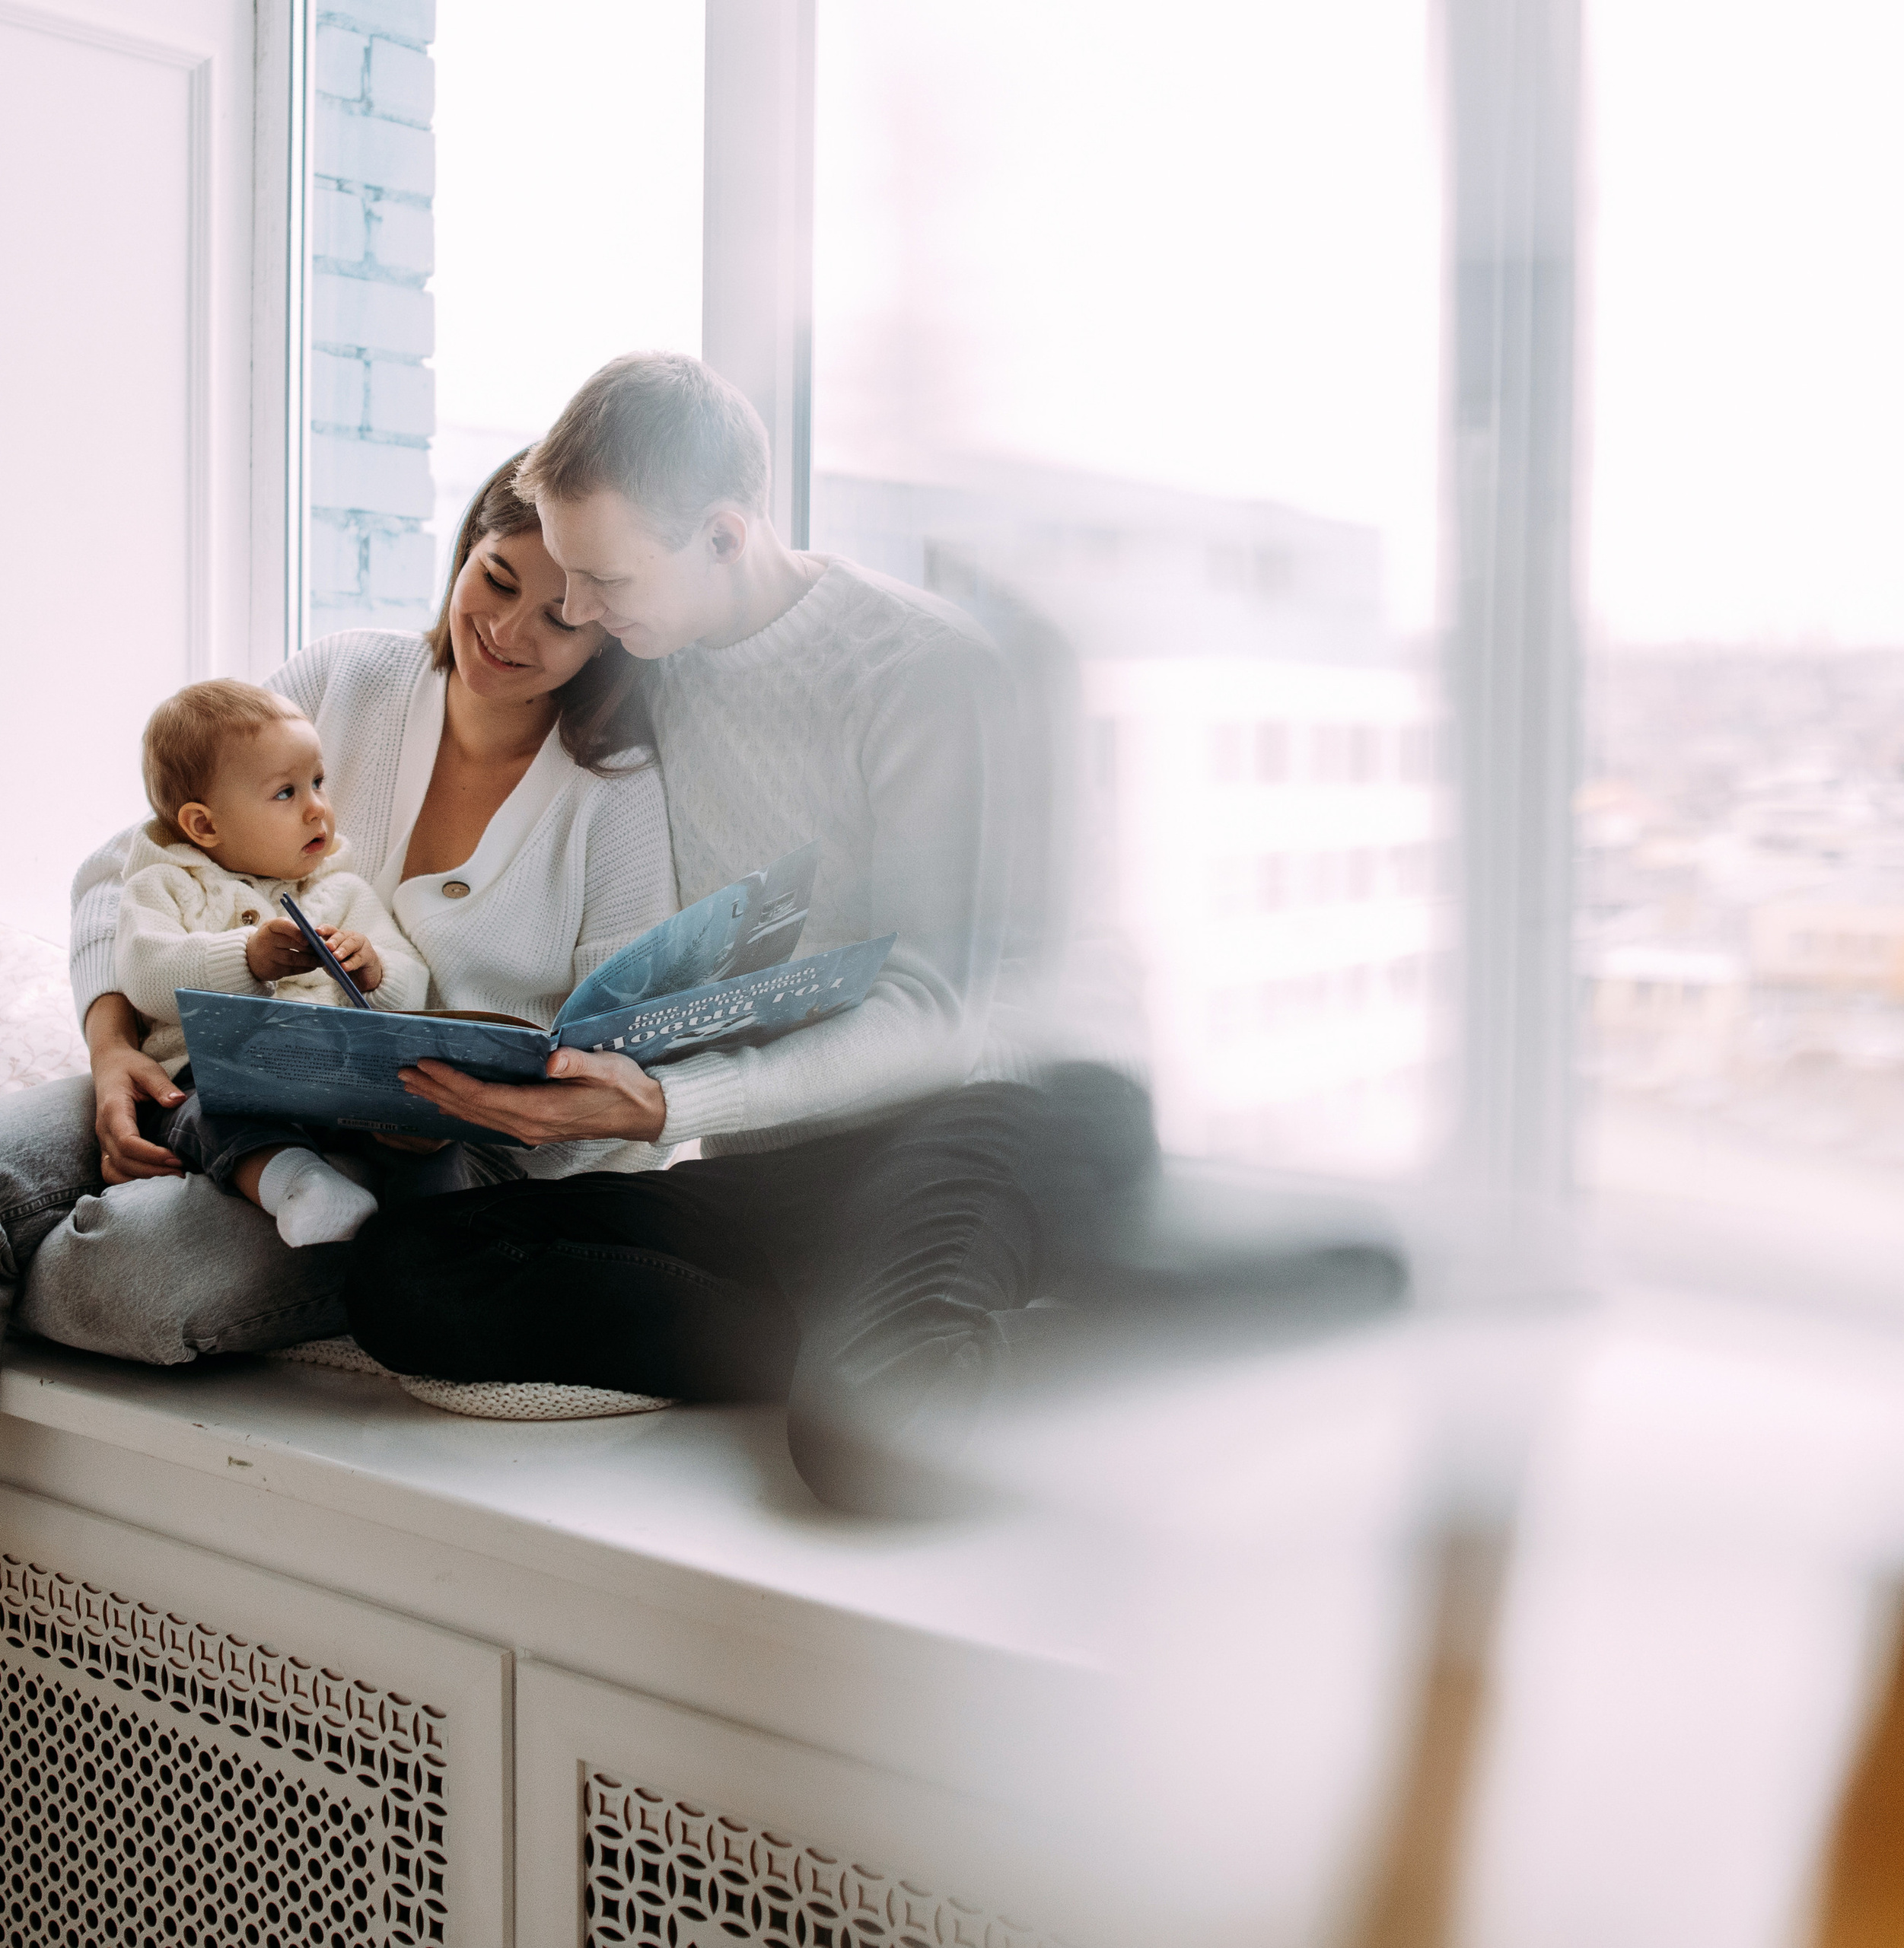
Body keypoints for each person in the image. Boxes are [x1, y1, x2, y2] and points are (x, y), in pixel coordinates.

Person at [346, 352, 1339, 1517]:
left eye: (604, 581)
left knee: (873, 1441)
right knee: (406, 1274)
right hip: (803, 1157)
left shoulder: (925, 671)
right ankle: (873, 1324)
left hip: (1002, 1106)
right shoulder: (654, 664)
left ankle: (1184, 1316)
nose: (582, 613)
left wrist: (667, 1105)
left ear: (724, 536)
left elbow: (937, 1016)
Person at [0, 454, 678, 1366]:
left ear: (607, 632)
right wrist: (112, 1047)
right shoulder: (346, 677)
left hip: (451, 1167)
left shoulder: (617, 796)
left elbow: (622, 1064)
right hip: (205, 1074)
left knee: (122, 1276)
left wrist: (459, 1113)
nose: (506, 630)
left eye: (559, 617)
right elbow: (127, 868)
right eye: (495, 578)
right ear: (464, 553)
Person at [116, 678, 428, 1246]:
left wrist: (375, 971)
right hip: (214, 1078)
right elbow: (144, 974)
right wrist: (247, 958)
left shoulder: (343, 891)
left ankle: (440, 1231)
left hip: (334, 1077)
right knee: (206, 1114)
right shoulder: (164, 886)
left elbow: (415, 983)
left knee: (424, 1121)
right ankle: (301, 1186)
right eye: (286, 793)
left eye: (318, 782)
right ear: (204, 825)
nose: (317, 808)